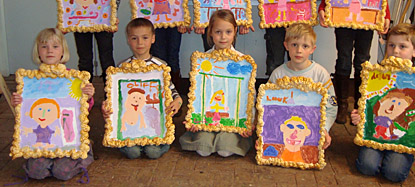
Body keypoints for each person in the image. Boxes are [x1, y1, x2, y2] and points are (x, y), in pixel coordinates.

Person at [350, 23, 415, 182]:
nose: (396, 51)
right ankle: (377, 154)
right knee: (366, 167)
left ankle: (396, 156)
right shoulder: (375, 74)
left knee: (394, 174)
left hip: (402, 140)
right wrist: (359, 116)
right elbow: (367, 105)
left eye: (402, 46)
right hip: (376, 134)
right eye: (391, 45)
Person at [11, 28, 95, 182]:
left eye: (55, 47)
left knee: (62, 172)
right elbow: (26, 116)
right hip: (43, 140)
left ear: (63, 51)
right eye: (44, 47)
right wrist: (18, 103)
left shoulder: (74, 79)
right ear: (38, 51)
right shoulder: (31, 82)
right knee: (37, 172)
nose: (50, 51)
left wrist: (88, 96)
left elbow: (84, 109)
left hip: (66, 137)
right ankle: (46, 162)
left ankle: (85, 150)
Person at [101, 18, 183, 159]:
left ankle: (162, 142)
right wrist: (107, 108)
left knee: (153, 152)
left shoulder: (161, 66)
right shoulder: (122, 69)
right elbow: (114, 98)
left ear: (153, 39)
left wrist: (178, 101)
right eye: (134, 38)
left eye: (145, 38)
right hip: (131, 125)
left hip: (153, 124)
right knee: (133, 153)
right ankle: (131, 143)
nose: (140, 43)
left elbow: (173, 91)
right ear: (128, 40)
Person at [180, 9, 253, 157]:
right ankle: (205, 136)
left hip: (232, 117)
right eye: (218, 32)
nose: (223, 37)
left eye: (228, 32)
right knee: (203, 149)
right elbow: (196, 92)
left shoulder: (242, 61)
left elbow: (250, 94)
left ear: (235, 32)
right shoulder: (202, 60)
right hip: (209, 114)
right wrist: (193, 117)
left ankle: (230, 139)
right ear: (210, 33)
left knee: (225, 150)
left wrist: (249, 120)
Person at [268, 23, 338, 149]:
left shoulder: (320, 75)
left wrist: (324, 129)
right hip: (284, 129)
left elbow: (331, 107)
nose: (299, 50)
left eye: (305, 46)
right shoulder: (277, 75)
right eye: (294, 45)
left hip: (311, 128)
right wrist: (266, 134)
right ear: (286, 46)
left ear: (312, 49)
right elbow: (268, 108)